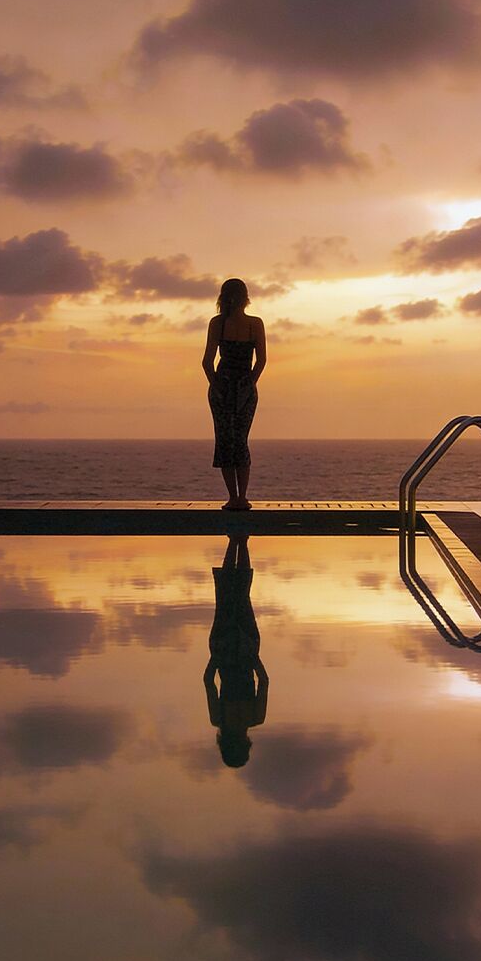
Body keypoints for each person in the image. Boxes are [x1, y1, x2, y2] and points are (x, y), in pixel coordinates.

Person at [202, 278, 266, 511]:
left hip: (228, 386)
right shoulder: (249, 324)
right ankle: (239, 497)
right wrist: (247, 384)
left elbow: (207, 363)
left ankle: (237, 497)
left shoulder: (222, 323)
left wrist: (220, 386)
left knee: (230, 441)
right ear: (245, 297)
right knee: (235, 441)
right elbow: (261, 362)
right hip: (239, 387)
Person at [204, 533, 267, 767]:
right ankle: (242, 541)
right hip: (245, 650)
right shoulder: (255, 717)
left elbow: (209, 682)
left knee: (225, 594)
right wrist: (254, 658)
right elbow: (264, 682)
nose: (240, 743)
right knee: (241, 596)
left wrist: (215, 657)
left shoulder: (218, 718)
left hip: (226, 649)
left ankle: (234, 541)